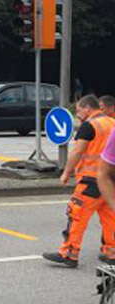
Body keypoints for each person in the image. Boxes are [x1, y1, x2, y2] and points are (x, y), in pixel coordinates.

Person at [43, 95, 115, 267]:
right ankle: (111, 252)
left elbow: (77, 152)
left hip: (91, 181)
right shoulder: (112, 123)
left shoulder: (89, 125)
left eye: (79, 110)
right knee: (110, 217)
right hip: (110, 181)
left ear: (88, 108)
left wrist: (66, 173)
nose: (78, 115)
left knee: (77, 215)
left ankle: (69, 253)